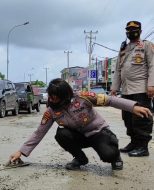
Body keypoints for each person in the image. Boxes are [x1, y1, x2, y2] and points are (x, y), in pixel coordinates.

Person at [9, 78, 152, 170]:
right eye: (50, 96)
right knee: (61, 134)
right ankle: (80, 159)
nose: (51, 100)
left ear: (65, 95)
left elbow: (110, 100)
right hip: (79, 136)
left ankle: (115, 156)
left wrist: (133, 107)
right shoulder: (51, 111)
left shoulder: (83, 97)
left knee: (108, 155)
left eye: (55, 97)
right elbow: (38, 133)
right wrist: (21, 151)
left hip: (98, 132)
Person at [111, 21, 154, 157]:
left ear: (140, 31)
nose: (131, 32)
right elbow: (118, 69)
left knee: (141, 119)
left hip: (141, 89)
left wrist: (151, 85)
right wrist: (114, 88)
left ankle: (143, 147)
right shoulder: (123, 48)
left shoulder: (146, 45)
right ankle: (134, 143)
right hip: (126, 90)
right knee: (128, 118)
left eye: (134, 29)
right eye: (129, 30)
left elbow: (153, 65)